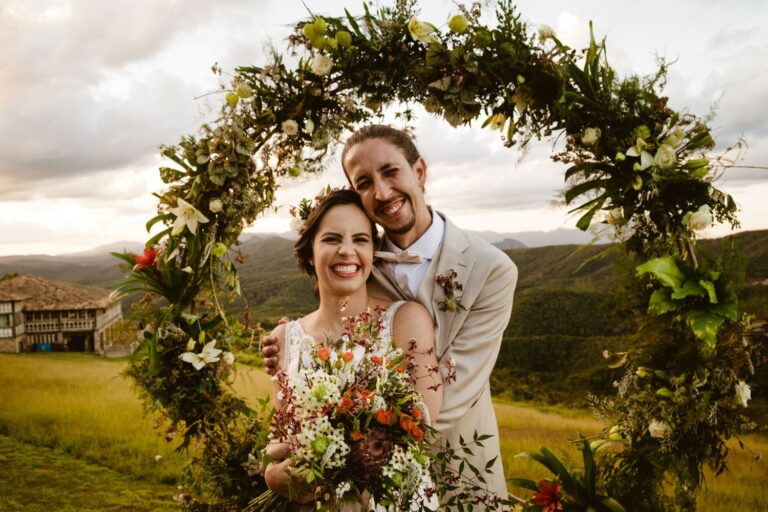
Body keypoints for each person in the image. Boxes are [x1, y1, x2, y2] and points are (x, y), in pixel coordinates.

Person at [264, 125, 518, 503]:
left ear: (419, 171)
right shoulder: (359, 258)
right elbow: (330, 321)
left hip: (461, 468)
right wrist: (285, 344)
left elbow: (453, 391)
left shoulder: (492, 270)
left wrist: (332, 454)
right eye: (364, 182)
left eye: (391, 171)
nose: (381, 192)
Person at [263, 188, 441, 507]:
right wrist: (272, 474)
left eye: (360, 240)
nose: (347, 250)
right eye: (332, 239)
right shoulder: (283, 339)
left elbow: (421, 425)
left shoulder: (406, 320)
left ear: (373, 252)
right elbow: (283, 439)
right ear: (309, 252)